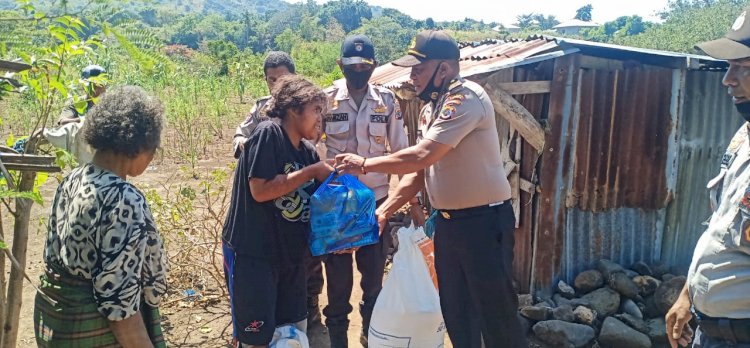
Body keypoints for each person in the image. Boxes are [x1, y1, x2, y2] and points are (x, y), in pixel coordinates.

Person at [336, 30, 527, 348]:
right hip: (449, 227)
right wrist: (383, 212)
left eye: (419, 68)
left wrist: (366, 164)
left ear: (444, 69)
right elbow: (420, 173)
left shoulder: (466, 99)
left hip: (483, 224)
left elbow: (423, 154)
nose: (412, 76)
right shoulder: (430, 110)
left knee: (496, 317)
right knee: (455, 312)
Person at [34, 85, 168, 347]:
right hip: (93, 329)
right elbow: (120, 310)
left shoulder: (74, 178)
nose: (152, 157)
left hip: (55, 321)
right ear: (138, 146)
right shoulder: (124, 199)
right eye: (153, 149)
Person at [222, 75, 334, 348]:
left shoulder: (307, 151)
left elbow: (315, 206)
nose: (320, 119)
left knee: (293, 331)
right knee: (256, 337)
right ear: (294, 109)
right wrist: (313, 171)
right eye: (316, 110)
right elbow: (259, 190)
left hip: (290, 258)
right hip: (254, 256)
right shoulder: (269, 133)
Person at [321, 34, 418, 347]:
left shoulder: (387, 102)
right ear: (340, 64)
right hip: (337, 206)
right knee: (337, 281)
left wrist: (410, 202)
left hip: (376, 203)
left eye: (365, 64)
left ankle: (369, 334)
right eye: (352, 64)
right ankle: (338, 339)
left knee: (373, 277)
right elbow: (309, 148)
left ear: (374, 65)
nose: (358, 69)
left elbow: (402, 154)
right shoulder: (325, 100)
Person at [665, 8, 750, 348]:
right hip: (711, 333)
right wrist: (689, 293)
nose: (727, 79)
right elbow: (721, 228)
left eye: (742, 67)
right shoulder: (744, 136)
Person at [232, 51, 296, 158]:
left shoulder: (307, 107)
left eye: (283, 79)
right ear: (265, 80)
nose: (277, 85)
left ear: (294, 77)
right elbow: (241, 133)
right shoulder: (262, 107)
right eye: (272, 80)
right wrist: (243, 143)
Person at [42, 64, 107, 164]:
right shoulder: (77, 102)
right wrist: (83, 120)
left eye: (100, 85)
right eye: (92, 85)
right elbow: (63, 122)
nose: (97, 89)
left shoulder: (111, 104)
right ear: (84, 86)